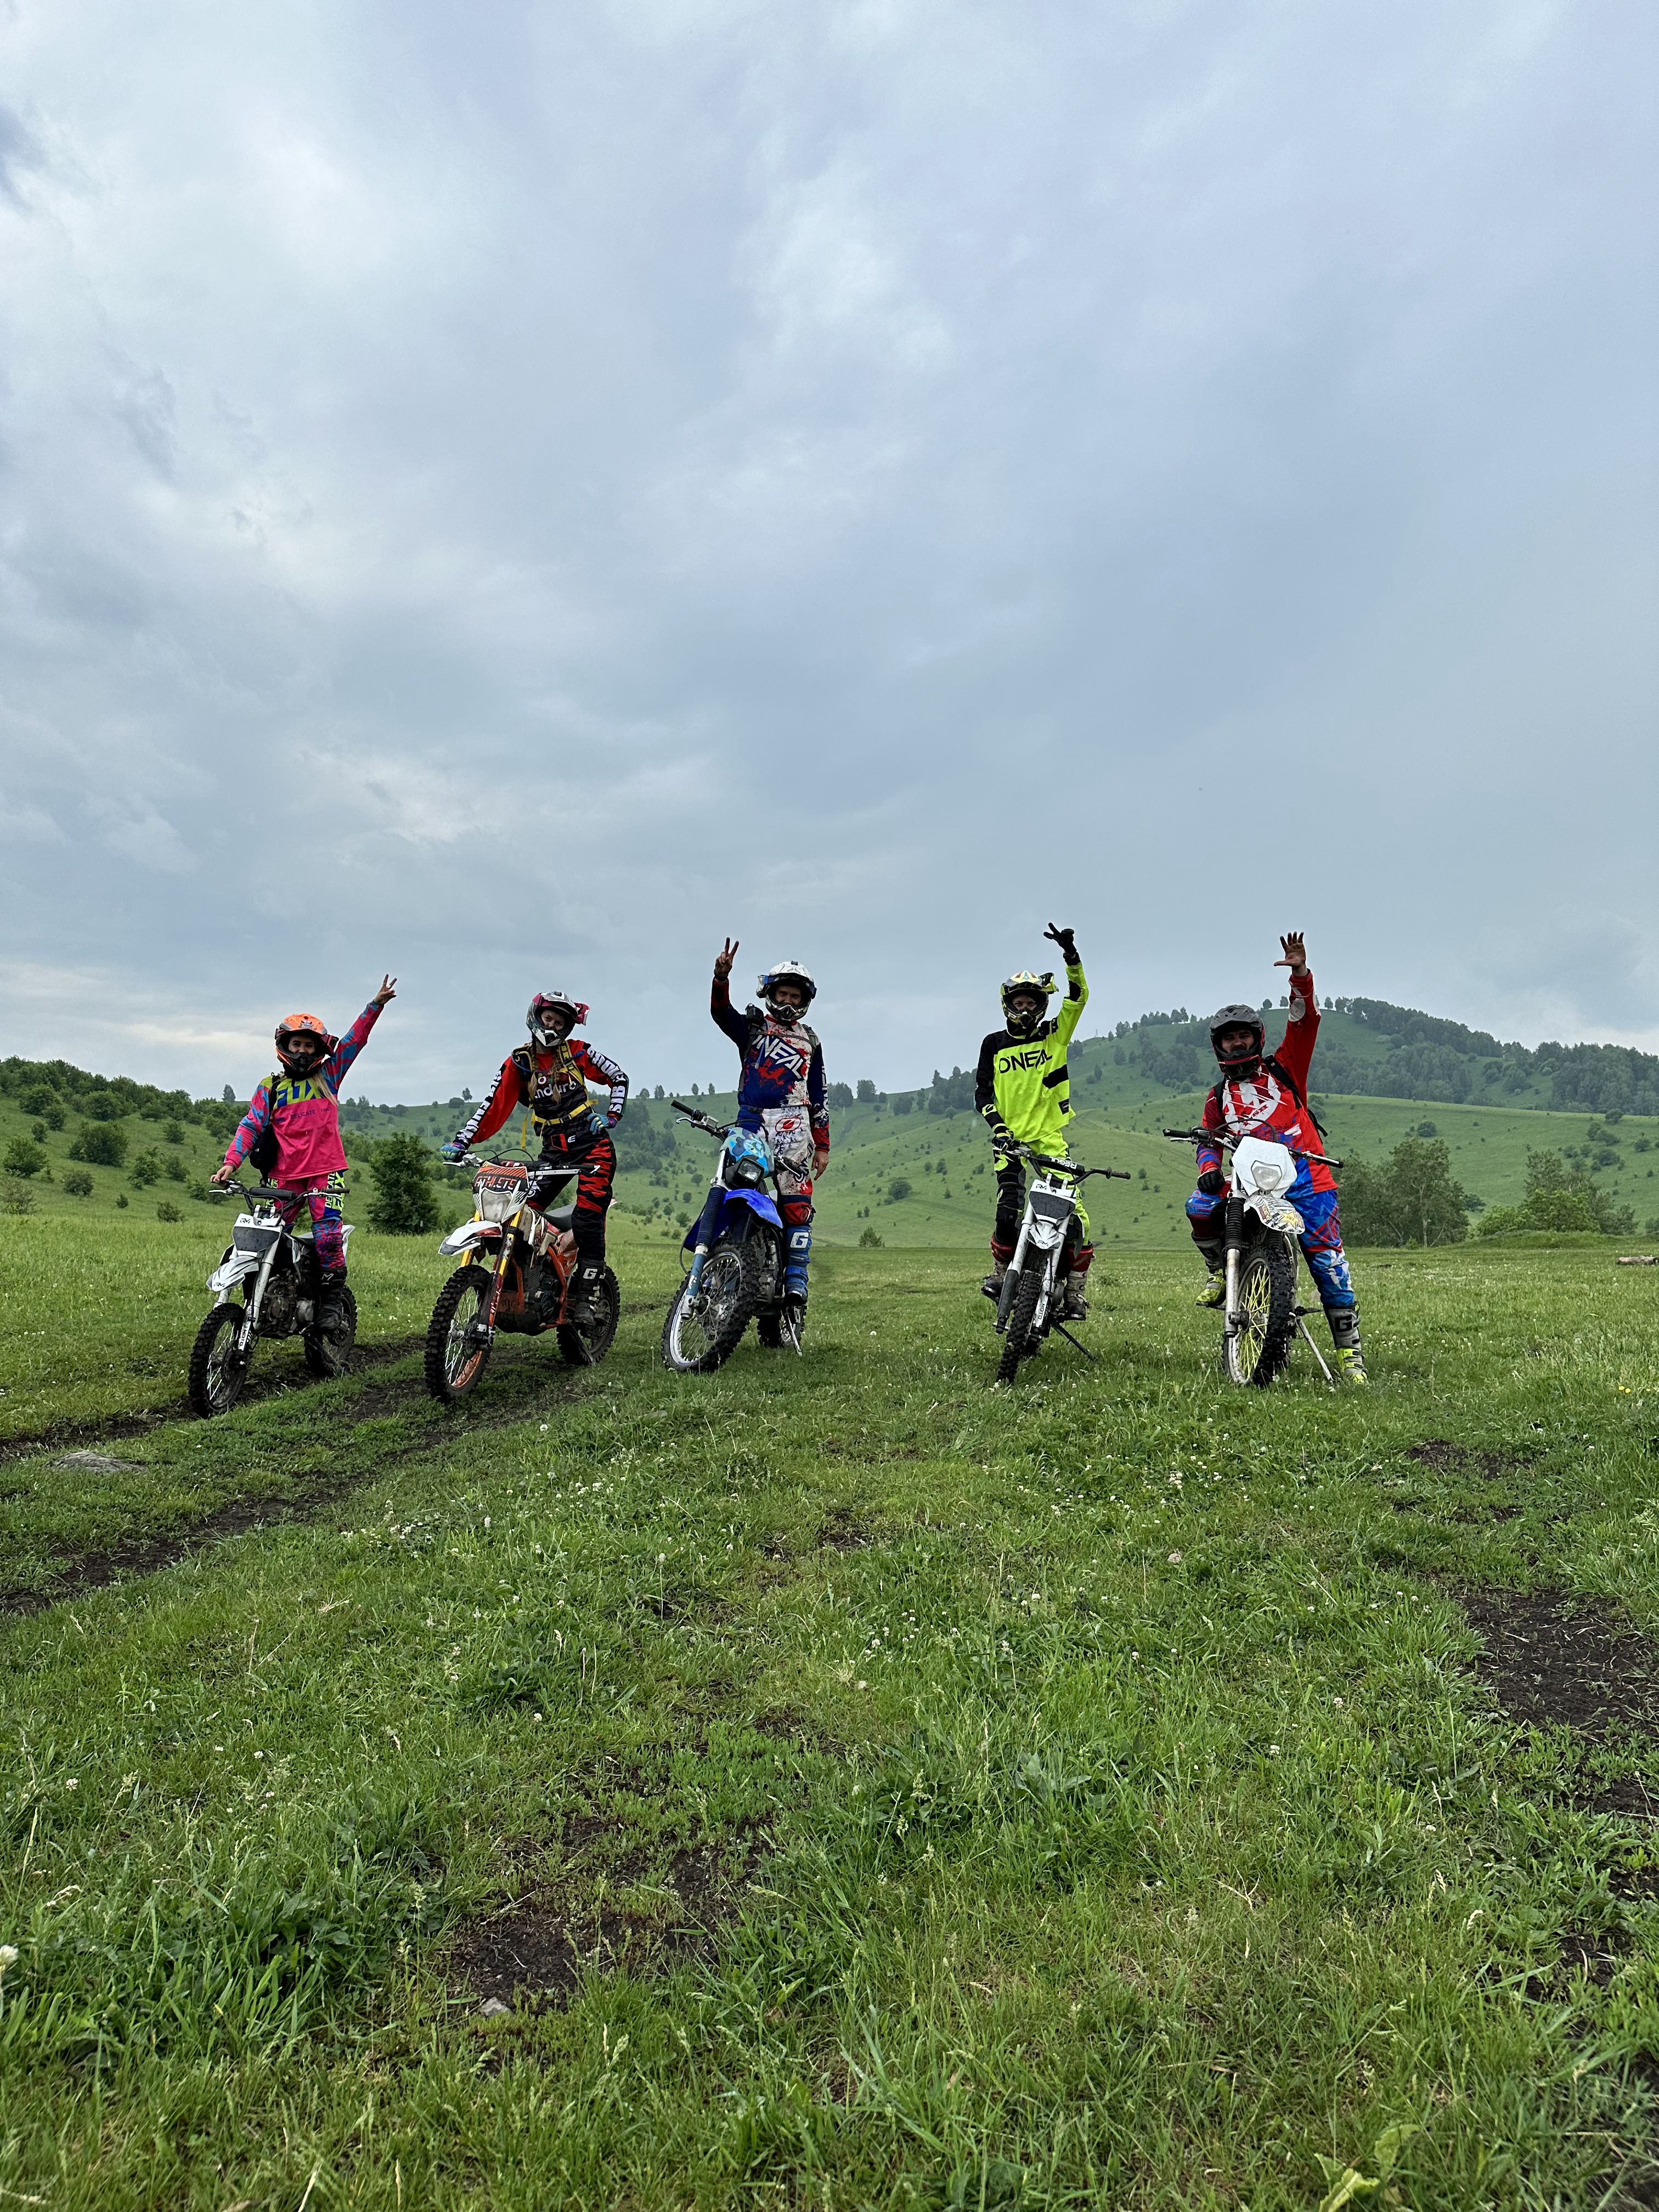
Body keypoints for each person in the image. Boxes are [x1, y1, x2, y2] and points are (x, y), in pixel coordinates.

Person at [1186, 931, 1366, 1383]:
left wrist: (1300, 976)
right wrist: (1209, 1168)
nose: (1237, 1044)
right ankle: (1218, 1273)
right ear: (1218, 1046)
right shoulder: (1218, 1098)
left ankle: (1351, 1357)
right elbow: (1209, 1139)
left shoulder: (1285, 1068)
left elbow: (1304, 1024)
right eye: (1228, 1039)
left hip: (1308, 1179)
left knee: (1329, 1265)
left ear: (1258, 1038)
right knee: (1199, 1206)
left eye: (1244, 1036)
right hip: (1248, 1183)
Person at [212, 975, 398, 1339]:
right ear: (284, 1045)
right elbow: (251, 1125)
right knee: (266, 1236)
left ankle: (330, 1302)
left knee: (327, 1235)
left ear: (319, 1051)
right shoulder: (272, 1087)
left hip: (326, 1173)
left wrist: (374, 1007)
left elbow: (354, 1042)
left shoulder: (329, 1075)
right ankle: (267, 1297)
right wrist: (231, 1162)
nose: (302, 1052)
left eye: (309, 1046)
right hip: (283, 1177)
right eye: (296, 1044)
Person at [441, 990, 628, 1323]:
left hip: (593, 1147)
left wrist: (612, 1116)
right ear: (536, 1016)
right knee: (522, 1211)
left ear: (568, 1027)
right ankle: (528, 1283)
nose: (553, 1026)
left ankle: (585, 1298)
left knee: (588, 1219)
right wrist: (462, 1141)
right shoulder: (520, 1062)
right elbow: (492, 1103)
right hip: (554, 1151)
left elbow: (618, 1076)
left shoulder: (579, 1052)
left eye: (560, 1022)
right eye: (549, 1019)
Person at [974, 924, 1092, 1316]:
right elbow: (982, 1093)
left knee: (1076, 1219)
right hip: (1007, 1142)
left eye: (1031, 1003)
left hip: (1048, 1139)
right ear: (1007, 1003)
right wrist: (999, 1127)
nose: (1025, 1009)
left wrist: (1070, 956)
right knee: (1006, 1215)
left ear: (1040, 1006)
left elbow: (1078, 998)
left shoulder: (1053, 1035)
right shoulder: (992, 1044)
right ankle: (999, 1271)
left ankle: (1074, 1290)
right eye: (1018, 1002)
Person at [709, 939, 829, 1321]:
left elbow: (819, 1092)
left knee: (796, 1202)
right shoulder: (752, 1028)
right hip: (752, 1117)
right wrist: (720, 978)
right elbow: (719, 1013)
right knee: (732, 1185)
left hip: (795, 1123)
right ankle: (716, 1257)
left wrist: (822, 1144)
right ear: (770, 993)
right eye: (783, 993)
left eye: (796, 995)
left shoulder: (810, 1039)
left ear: (805, 1000)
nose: (789, 1001)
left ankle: (796, 1275)